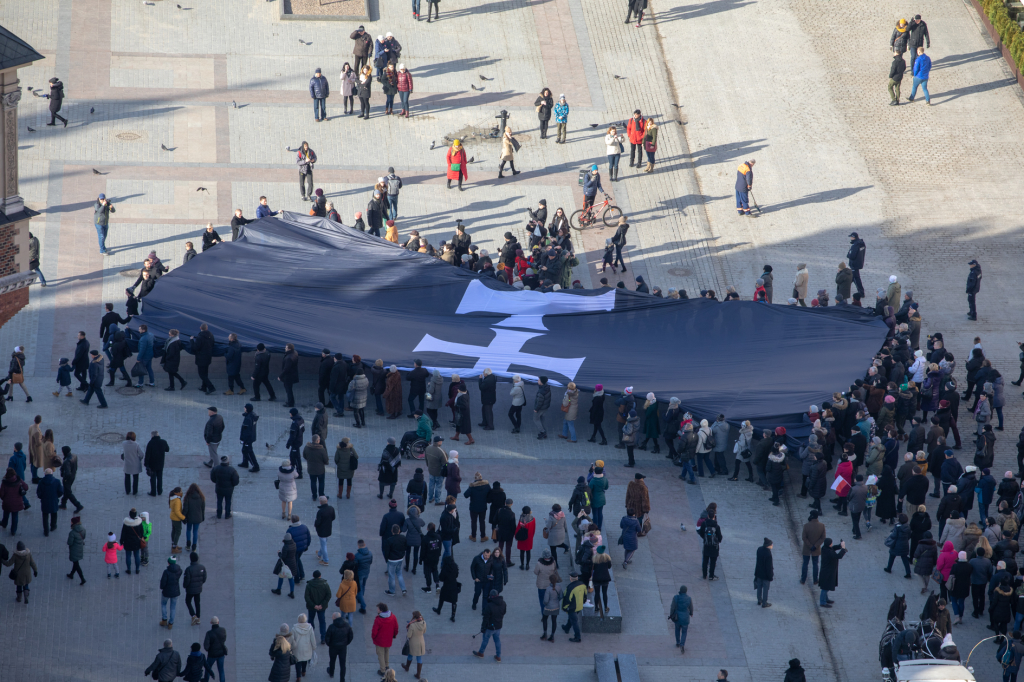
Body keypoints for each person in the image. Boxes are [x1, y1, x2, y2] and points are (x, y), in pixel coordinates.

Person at [475, 588, 507, 657]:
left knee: (485, 640)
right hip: (498, 626)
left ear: (491, 596)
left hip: (490, 627)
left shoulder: (489, 605)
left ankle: (481, 653)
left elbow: (485, 618)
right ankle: (498, 656)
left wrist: (483, 627)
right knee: (497, 640)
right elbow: (504, 612)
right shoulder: (503, 603)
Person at [818, 538, 847, 607]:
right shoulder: (829, 552)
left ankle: (825, 599)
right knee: (825, 588)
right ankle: (822, 602)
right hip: (828, 572)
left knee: (826, 586)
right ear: (829, 544)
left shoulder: (824, 548)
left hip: (826, 571)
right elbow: (838, 556)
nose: (832, 544)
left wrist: (840, 545)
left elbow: (833, 548)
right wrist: (843, 549)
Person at [372, 602, 399, 675]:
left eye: (378, 609)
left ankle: (382, 670)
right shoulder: (393, 617)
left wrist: (373, 637)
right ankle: (387, 666)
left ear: (381, 610)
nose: (377, 610)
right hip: (389, 639)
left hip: (380, 640)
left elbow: (374, 631)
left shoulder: (378, 620)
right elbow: (396, 627)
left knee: (380, 655)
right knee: (387, 652)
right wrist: (394, 635)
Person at [325, 611, 354, 680]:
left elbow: (327, 638)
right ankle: (342, 679)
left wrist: (330, 644)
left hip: (333, 647)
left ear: (335, 618)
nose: (331, 617)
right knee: (342, 663)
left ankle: (331, 673)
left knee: (332, 661)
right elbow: (351, 636)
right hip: (343, 648)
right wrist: (346, 643)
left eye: (332, 616)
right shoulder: (347, 625)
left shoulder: (331, 627)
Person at [182, 551, 207, 626]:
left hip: (190, 590)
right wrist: (200, 584)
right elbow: (204, 578)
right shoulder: (202, 567)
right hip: (198, 589)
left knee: (188, 601)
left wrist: (185, 586)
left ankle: (193, 615)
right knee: (197, 603)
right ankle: (198, 618)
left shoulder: (188, 569)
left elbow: (187, 581)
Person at [290, 612, 317, 679]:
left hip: (297, 648)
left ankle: (298, 676)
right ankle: (304, 671)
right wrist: (314, 646)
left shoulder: (294, 628)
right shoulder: (310, 628)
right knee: (305, 659)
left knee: (297, 662)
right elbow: (312, 638)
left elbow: (291, 639)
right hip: (307, 647)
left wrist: (290, 648)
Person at [560, 572, 586, 643]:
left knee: (574, 622)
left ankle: (578, 637)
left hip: (572, 607)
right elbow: (585, 595)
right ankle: (567, 628)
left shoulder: (570, 587)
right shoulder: (583, 585)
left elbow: (567, 599)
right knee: (572, 617)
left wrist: (564, 607)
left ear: (571, 578)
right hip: (579, 606)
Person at [401, 610, 427, 678]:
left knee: (410, 655)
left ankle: (407, 667)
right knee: (419, 658)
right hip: (421, 642)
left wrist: (408, 629)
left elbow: (409, 635)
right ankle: (418, 674)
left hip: (413, 643)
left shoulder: (412, 625)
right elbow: (424, 631)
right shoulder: (424, 623)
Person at [159, 556, 182, 628]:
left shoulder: (166, 572)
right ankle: (171, 623)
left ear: (169, 563)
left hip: (166, 591)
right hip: (175, 591)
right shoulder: (179, 570)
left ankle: (164, 620)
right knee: (173, 607)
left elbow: (163, 582)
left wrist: (162, 587)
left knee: (163, 604)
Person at [181, 483, 205, 552]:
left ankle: (188, 545)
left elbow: (185, 509)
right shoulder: (201, 497)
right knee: (195, 531)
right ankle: (194, 547)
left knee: (188, 530)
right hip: (198, 518)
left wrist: (183, 517)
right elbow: (202, 509)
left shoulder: (187, 497)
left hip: (189, 517)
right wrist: (202, 517)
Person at [203, 617, 228, 682]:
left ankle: (206, 680)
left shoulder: (209, 633)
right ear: (218, 622)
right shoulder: (223, 630)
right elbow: (224, 639)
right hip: (221, 654)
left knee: (208, 668)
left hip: (212, 655)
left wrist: (210, 649)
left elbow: (206, 646)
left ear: (211, 623)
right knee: (221, 670)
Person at [700, 507, 722, 580]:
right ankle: (711, 576)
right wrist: (717, 541)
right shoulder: (716, 526)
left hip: (706, 545)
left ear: (708, 516)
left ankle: (704, 575)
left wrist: (705, 539)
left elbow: (701, 533)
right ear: (714, 516)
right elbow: (720, 537)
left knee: (705, 561)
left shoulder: (704, 524)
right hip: (714, 547)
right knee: (713, 562)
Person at [278, 343, 300, 407]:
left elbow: (286, 369)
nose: (285, 348)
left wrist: (280, 376)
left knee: (288, 389)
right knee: (289, 389)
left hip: (288, 376)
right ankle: (291, 401)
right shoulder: (295, 353)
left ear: (289, 349)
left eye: (286, 347)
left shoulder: (289, 358)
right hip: (292, 374)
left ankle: (290, 403)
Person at [66, 515, 86, 584]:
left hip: (74, 550)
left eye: (71, 522)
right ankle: (71, 574)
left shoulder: (72, 533)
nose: (70, 522)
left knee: (76, 564)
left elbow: (69, 543)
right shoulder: (83, 529)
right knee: (75, 563)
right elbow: (84, 537)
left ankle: (82, 579)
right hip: (80, 548)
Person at [754, 538, 774, 608]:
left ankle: (759, 600)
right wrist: (770, 576)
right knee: (765, 589)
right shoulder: (768, 554)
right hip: (765, 575)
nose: (772, 545)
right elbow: (769, 567)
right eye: (771, 544)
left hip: (759, 572)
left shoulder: (759, 549)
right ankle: (764, 603)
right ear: (768, 545)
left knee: (759, 586)